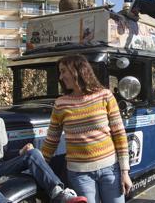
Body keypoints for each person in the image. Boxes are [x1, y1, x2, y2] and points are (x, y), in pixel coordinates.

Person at [41, 55, 133, 203]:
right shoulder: (60, 104)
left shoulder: (105, 96)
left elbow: (119, 134)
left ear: (78, 70)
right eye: (60, 72)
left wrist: (125, 171)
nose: (60, 76)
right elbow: (51, 141)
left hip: (111, 170)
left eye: (64, 71)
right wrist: (38, 164)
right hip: (79, 175)